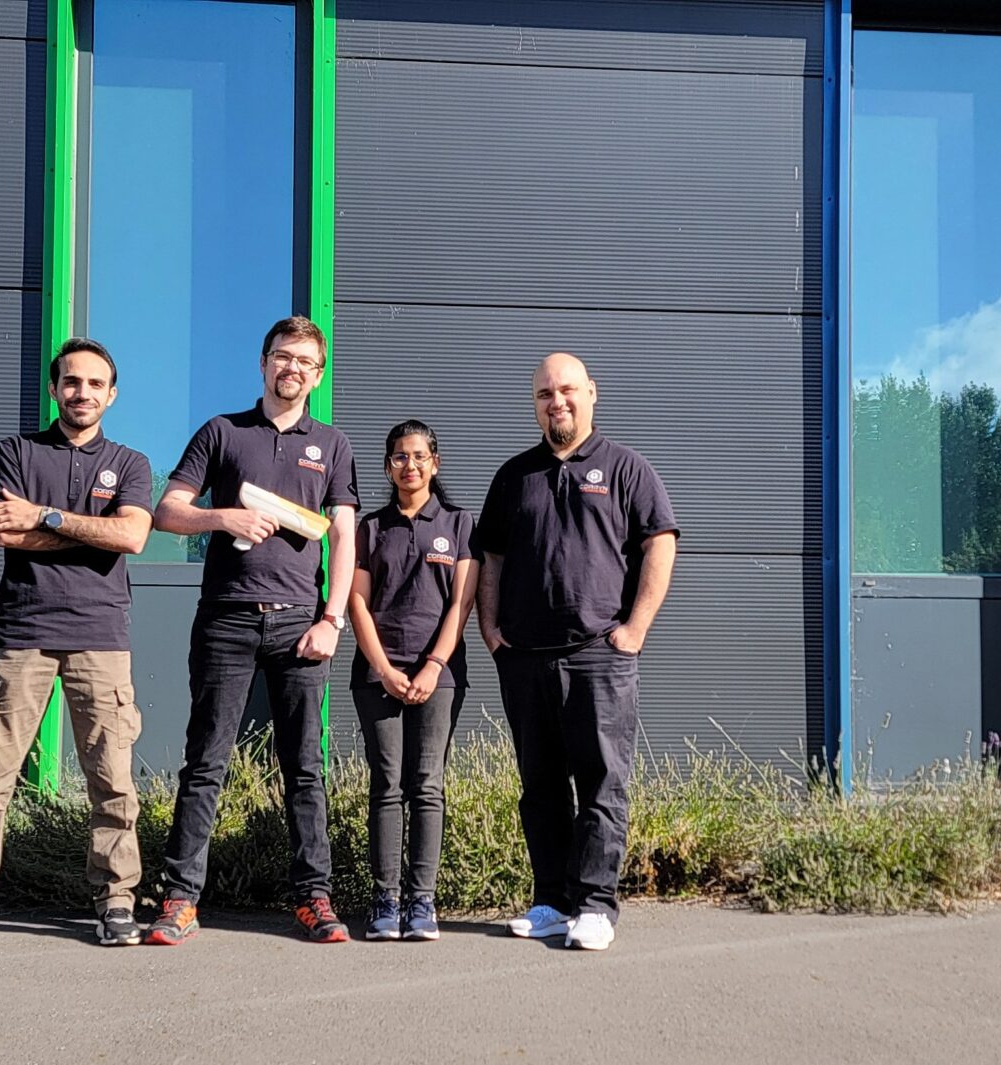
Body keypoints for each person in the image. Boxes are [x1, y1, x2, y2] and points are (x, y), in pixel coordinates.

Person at [0, 338, 154, 950]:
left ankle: (116, 901)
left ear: (112, 394)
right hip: (23, 634)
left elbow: (132, 537)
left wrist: (46, 516)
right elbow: (6, 531)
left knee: (112, 781)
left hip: (101, 637)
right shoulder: (17, 451)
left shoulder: (130, 463)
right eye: (71, 381)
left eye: (95, 384)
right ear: (55, 389)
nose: (82, 392)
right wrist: (91, 533)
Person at [145, 315, 360, 945]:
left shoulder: (333, 445)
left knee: (304, 768)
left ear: (318, 376)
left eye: (305, 362)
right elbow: (167, 511)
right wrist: (224, 517)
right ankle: (180, 899)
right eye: (283, 356)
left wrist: (333, 618)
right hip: (226, 619)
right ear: (263, 363)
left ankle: (313, 898)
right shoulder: (222, 431)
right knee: (205, 762)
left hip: (301, 626)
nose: (292, 368)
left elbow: (344, 537)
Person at [475, 353, 678, 952]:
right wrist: (490, 630)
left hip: (599, 655)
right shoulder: (514, 476)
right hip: (526, 658)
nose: (556, 402)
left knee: (600, 783)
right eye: (544, 394)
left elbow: (660, 543)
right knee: (540, 787)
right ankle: (552, 903)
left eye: (566, 390)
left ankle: (594, 906)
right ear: (534, 404)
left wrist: (636, 628)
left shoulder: (626, 467)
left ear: (591, 393)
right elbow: (491, 558)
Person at [347, 420, 479, 941]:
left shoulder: (459, 523)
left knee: (427, 785)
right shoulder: (370, 528)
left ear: (435, 463)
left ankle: (422, 901)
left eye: (420, 456)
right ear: (388, 467)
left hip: (438, 677)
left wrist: (433, 665)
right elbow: (357, 602)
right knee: (386, 785)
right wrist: (384, 669)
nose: (410, 465)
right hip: (377, 674)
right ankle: (385, 899)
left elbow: (462, 603)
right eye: (400, 457)